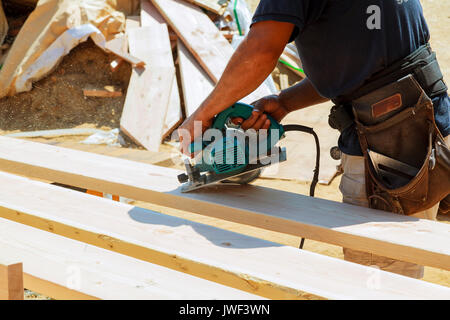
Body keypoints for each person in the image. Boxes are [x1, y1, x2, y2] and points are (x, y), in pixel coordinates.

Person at [178, 0, 449, 278]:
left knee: (379, 276)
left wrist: (202, 115)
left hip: (386, 148)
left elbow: (261, 50)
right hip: (430, 124)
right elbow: (363, 65)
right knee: (400, 268)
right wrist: (284, 102)